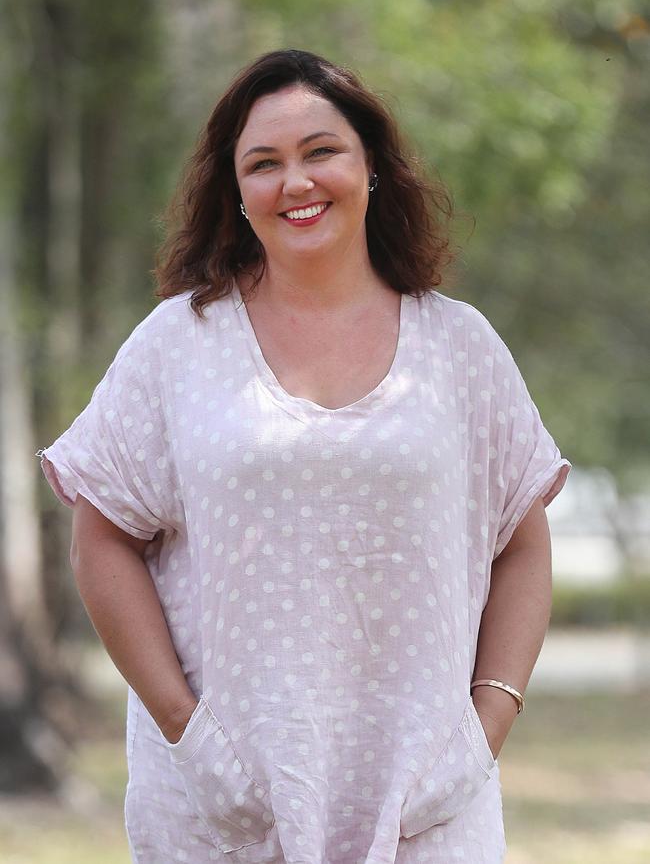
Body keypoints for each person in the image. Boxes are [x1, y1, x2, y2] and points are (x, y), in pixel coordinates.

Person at [37, 48, 571, 864]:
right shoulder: (178, 344)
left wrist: (484, 727)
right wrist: (192, 734)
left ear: (373, 168)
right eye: (263, 163)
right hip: (227, 807)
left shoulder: (460, 346)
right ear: (236, 194)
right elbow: (102, 537)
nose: (296, 182)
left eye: (321, 151)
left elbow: (524, 543)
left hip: (424, 803)